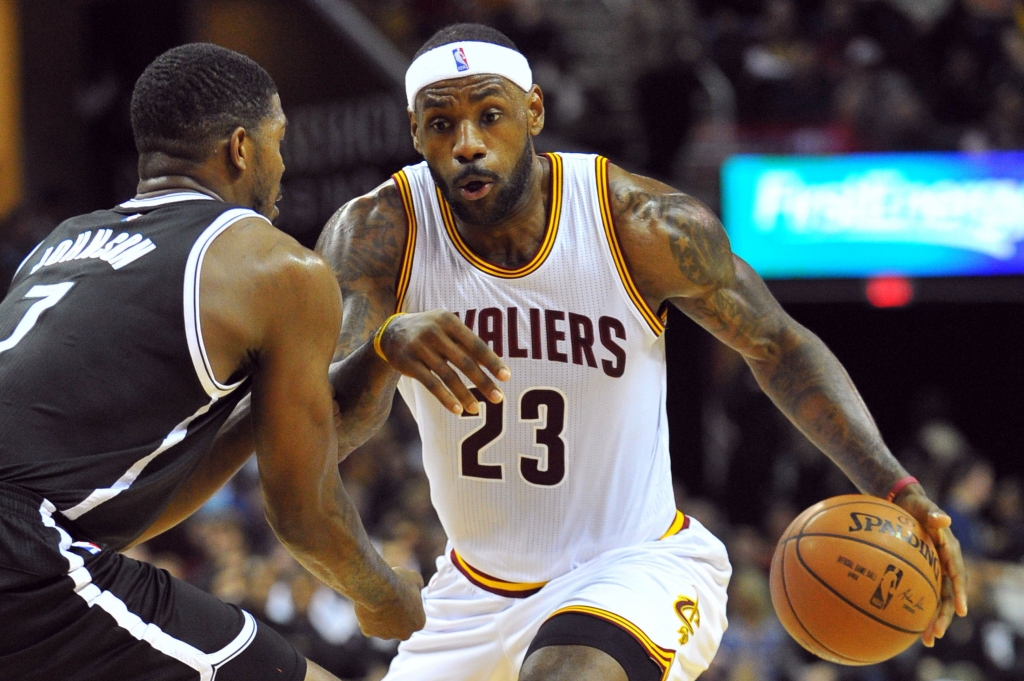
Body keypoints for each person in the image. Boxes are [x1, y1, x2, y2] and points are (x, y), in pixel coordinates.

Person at [316, 24, 968, 681]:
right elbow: (327, 429)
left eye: (490, 116)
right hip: (471, 595)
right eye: (440, 124)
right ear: (414, 131)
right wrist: (383, 346)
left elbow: (777, 343)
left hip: (634, 568)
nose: (467, 145)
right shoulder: (379, 234)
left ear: (534, 110)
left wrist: (894, 482)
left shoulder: (637, 223)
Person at [0, 44, 424, 681]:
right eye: (279, 140)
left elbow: (115, 507)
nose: (284, 163)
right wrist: (386, 595)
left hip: (40, 539)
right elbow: (300, 512)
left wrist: (277, 408)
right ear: (241, 148)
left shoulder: (60, 244)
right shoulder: (273, 266)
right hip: (21, 546)